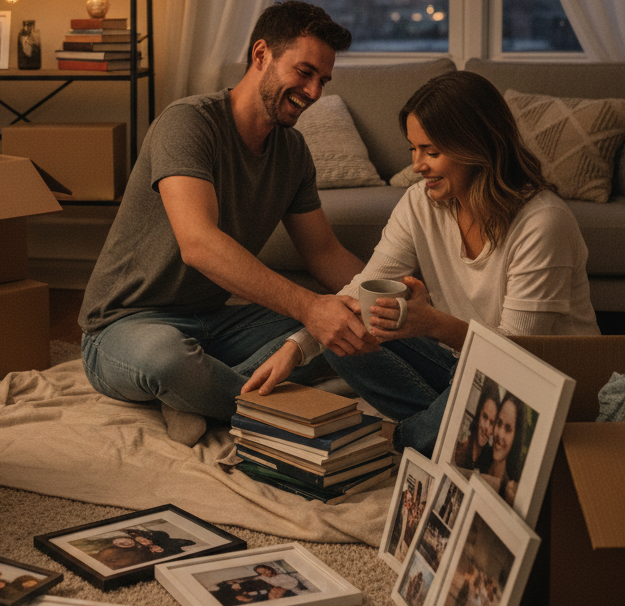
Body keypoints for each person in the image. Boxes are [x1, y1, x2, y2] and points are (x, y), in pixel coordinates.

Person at [244, 71, 599, 456]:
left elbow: (516, 354)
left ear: (477, 147)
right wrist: (297, 347)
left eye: (431, 152)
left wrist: (433, 324)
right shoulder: (421, 203)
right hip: (465, 368)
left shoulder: (543, 222)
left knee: (480, 395)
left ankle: (407, 438)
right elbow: (363, 288)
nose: (417, 166)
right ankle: (452, 432)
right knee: (340, 333)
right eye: (413, 150)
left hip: (539, 384)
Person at [78, 1, 375, 443]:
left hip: (216, 322)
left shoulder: (292, 152)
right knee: (169, 361)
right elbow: (198, 244)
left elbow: (324, 254)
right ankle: (254, 404)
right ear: (261, 56)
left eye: (323, 80)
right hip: (125, 325)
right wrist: (311, 310)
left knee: (348, 334)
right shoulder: (188, 124)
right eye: (304, 72)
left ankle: (192, 396)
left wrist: (378, 299)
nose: (314, 92)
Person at [481, 392, 526, 505]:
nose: (499, 434)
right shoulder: (478, 460)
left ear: (515, 437)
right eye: (499, 423)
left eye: (508, 429)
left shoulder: (509, 493)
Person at [453, 377, 501, 475]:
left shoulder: (490, 461)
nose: (487, 428)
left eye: (492, 422)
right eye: (485, 417)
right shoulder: (459, 448)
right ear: (478, 416)